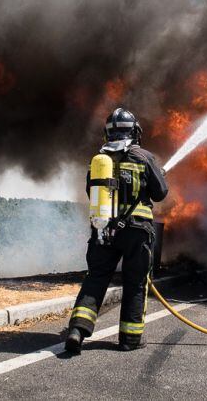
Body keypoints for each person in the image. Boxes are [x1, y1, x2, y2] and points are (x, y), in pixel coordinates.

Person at [65, 108, 168, 353]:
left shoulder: (99, 160)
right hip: (137, 232)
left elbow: (93, 193)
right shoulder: (143, 157)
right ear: (135, 131)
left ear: (108, 133)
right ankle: (130, 339)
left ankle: (77, 330)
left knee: (96, 278)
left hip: (104, 230)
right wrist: (157, 175)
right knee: (135, 283)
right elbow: (160, 193)